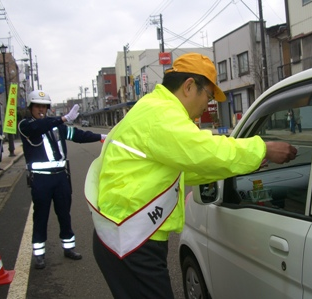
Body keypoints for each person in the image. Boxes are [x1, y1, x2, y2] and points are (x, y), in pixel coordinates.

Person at [85, 52, 297, 299]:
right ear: (189, 87)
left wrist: (251, 162)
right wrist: (263, 148)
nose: (207, 106)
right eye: (207, 96)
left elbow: (188, 168)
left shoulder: (152, 107)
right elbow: (205, 151)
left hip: (126, 236)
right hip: (131, 240)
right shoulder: (162, 115)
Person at [18, 90, 106, 270]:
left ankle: (68, 247)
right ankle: (39, 254)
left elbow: (77, 135)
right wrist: (63, 118)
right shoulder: (26, 125)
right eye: (37, 106)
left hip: (60, 177)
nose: (41, 109)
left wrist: (100, 137)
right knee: (41, 216)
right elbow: (38, 128)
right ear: (31, 108)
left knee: (64, 214)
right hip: (41, 180)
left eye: (44, 106)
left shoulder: (57, 126)